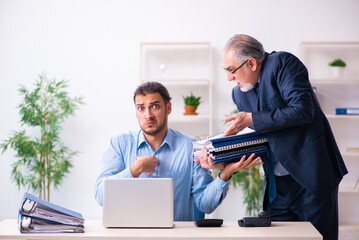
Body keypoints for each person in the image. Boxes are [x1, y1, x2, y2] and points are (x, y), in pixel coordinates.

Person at [196, 34, 348, 240]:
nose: (229, 78)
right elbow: (263, 136)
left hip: (311, 177)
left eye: (231, 70)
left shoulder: (283, 63)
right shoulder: (239, 94)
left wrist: (251, 118)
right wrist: (221, 154)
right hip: (278, 187)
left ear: (251, 63)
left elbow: (303, 110)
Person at [94, 81, 263, 221]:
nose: (148, 115)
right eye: (141, 108)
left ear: (168, 108)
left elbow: (205, 205)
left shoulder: (191, 146)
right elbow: (101, 196)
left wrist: (225, 174)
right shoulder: (119, 144)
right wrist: (135, 169)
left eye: (154, 106)